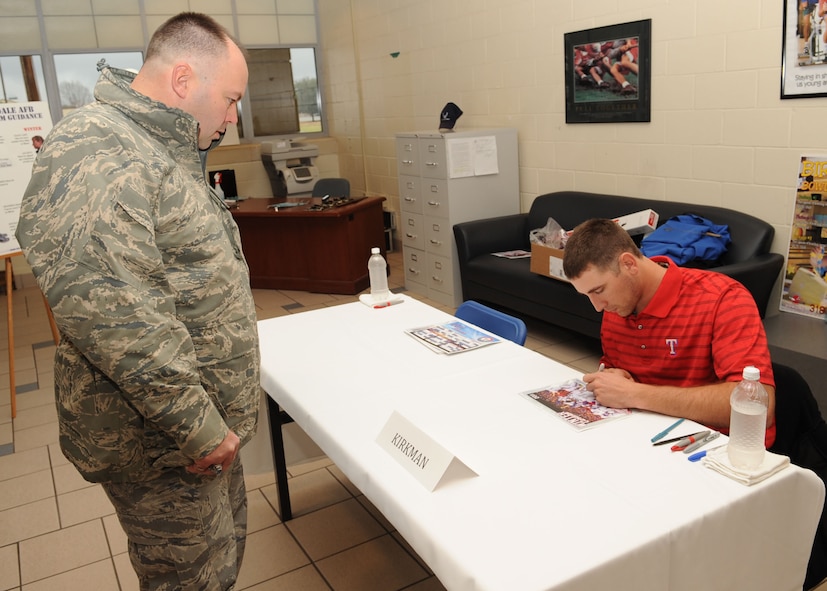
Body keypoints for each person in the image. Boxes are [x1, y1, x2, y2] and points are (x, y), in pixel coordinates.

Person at [16, 12, 260, 590]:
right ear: (182, 80)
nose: (231, 118)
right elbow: (118, 317)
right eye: (229, 100)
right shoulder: (96, 148)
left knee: (222, 561)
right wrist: (199, 428)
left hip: (201, 431)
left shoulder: (162, 146)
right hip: (161, 441)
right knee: (188, 578)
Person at [561, 218, 777, 446]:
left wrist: (635, 393)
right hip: (644, 436)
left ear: (628, 264)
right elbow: (619, 375)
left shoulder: (724, 299)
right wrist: (614, 377)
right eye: (587, 295)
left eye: (599, 290)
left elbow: (758, 403)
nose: (597, 306)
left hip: (713, 449)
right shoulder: (618, 304)